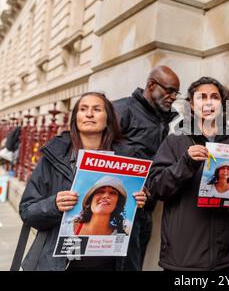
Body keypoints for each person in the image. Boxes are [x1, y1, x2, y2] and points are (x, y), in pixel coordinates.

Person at [19, 92, 147, 271]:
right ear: (75, 118)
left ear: (107, 118)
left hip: (111, 263)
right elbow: (27, 211)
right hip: (59, 264)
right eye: (83, 109)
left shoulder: (128, 158)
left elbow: (133, 218)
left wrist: (139, 200)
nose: (89, 114)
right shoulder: (54, 156)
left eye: (97, 109)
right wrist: (54, 205)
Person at [149, 77, 229, 271]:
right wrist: (186, 162)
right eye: (202, 97)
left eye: (215, 97)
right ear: (192, 106)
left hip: (225, 255)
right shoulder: (175, 141)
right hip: (183, 255)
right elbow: (157, 188)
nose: (209, 102)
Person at [113, 65, 180, 269]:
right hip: (118, 207)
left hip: (144, 208)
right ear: (151, 85)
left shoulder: (163, 119)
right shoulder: (122, 109)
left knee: (135, 264)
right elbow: (102, 154)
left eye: (176, 93)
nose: (173, 97)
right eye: (169, 90)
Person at [59, 176, 131, 236]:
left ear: (117, 204)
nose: (105, 196)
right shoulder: (66, 229)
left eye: (112, 193)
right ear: (90, 200)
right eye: (100, 191)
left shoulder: (123, 233)